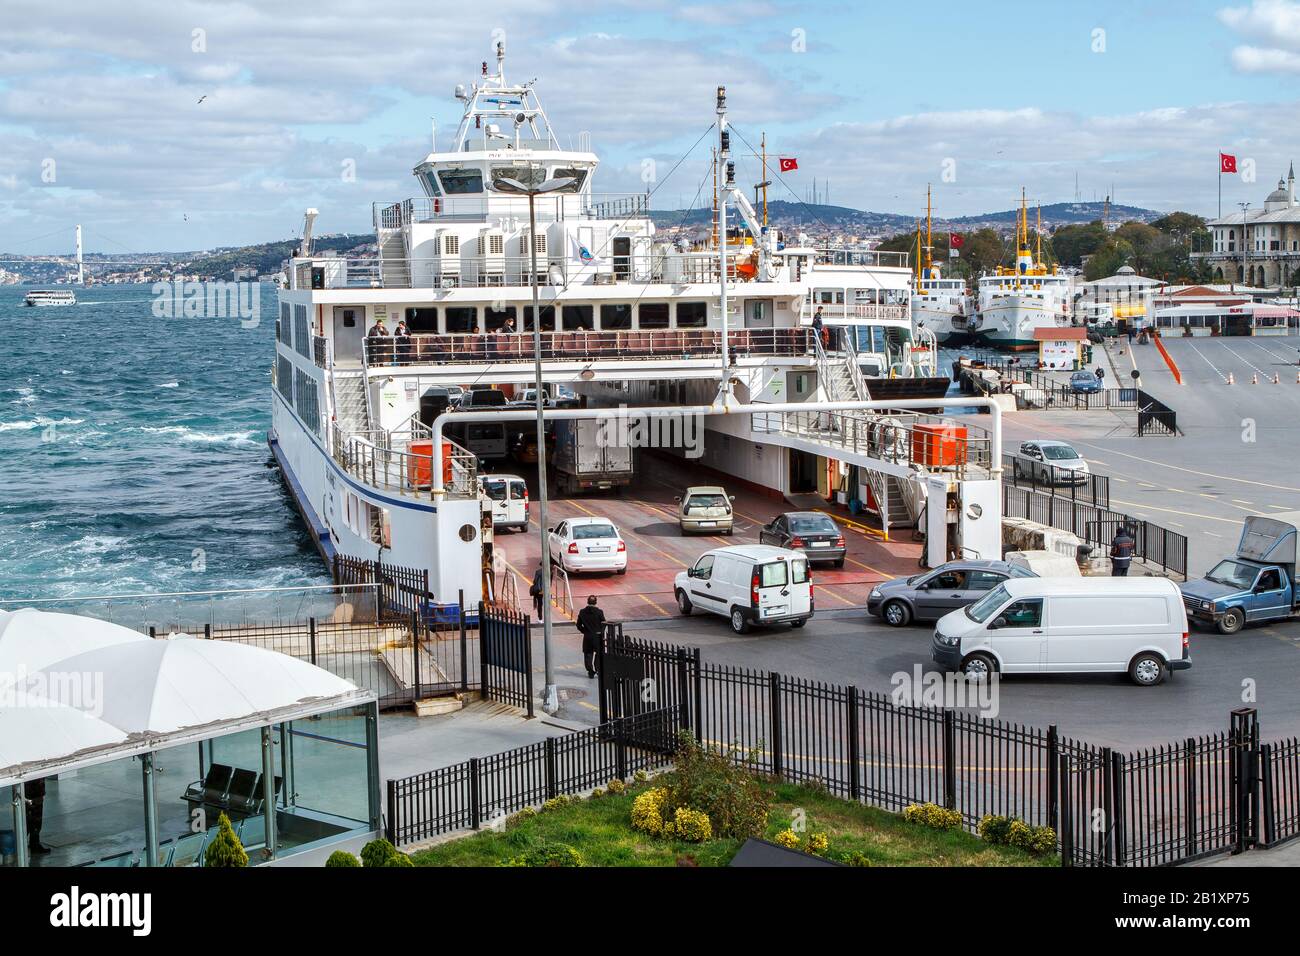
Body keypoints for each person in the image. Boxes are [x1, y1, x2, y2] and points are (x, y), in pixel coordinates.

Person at [575, 595, 606, 679]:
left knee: (588, 654)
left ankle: (590, 671)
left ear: (587, 601)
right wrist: (601, 632)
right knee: (599, 654)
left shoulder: (582, 612)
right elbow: (604, 623)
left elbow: (578, 625)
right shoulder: (599, 612)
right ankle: (598, 669)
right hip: (597, 636)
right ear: (596, 602)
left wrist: (584, 631)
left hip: (587, 636)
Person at [25, 777, 49, 854]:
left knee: (31, 823)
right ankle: (34, 845)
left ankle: (33, 844)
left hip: (33, 794)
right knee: (34, 822)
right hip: (33, 795)